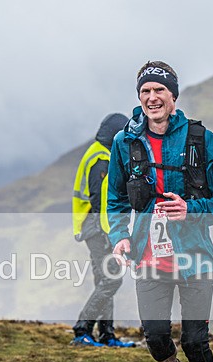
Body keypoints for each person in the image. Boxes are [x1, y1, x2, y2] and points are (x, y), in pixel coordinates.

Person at [107, 61, 213, 362]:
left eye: (159, 91)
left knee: (196, 341)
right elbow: (115, 198)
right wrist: (120, 235)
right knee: (156, 337)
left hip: (195, 256)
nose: (152, 98)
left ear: (173, 96)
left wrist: (191, 209)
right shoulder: (125, 143)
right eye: (145, 92)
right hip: (148, 256)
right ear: (139, 98)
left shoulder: (201, 139)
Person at [71, 112, 135, 348]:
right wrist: (111, 233)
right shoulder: (101, 158)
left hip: (93, 226)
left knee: (104, 280)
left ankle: (107, 335)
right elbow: (99, 200)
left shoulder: (100, 152)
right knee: (111, 280)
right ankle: (82, 330)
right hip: (97, 227)